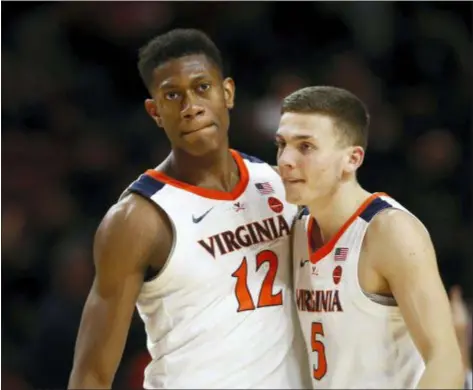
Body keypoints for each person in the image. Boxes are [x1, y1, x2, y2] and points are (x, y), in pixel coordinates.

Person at [68, 28, 310, 389]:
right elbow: (92, 374)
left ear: (227, 92)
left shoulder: (280, 184)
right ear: (155, 111)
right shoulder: (138, 219)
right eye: (172, 95)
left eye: (201, 88)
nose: (191, 107)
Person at [275, 85, 464, 389]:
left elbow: (446, 363)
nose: (285, 159)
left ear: (352, 159)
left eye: (306, 146)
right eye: (281, 144)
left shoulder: (388, 231)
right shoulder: (297, 228)